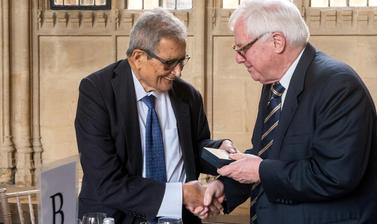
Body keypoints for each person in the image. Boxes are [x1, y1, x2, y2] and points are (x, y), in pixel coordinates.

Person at [198, 0, 377, 223]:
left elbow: (336, 176)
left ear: (277, 41)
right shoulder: (273, 82)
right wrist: (224, 187)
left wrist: (261, 171)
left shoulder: (339, 86)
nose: (238, 58)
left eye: (242, 48)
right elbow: (265, 155)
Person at [75, 8, 233, 224]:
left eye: (182, 61)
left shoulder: (188, 95)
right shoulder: (97, 91)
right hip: (116, 217)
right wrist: (182, 194)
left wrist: (219, 148)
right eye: (169, 63)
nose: (178, 72)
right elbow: (105, 181)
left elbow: (192, 149)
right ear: (138, 57)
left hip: (178, 219)